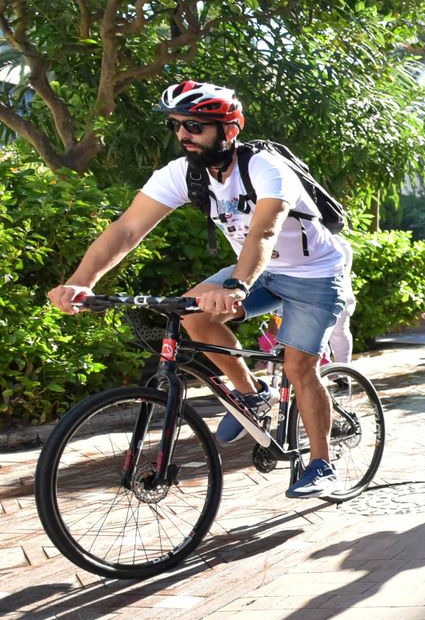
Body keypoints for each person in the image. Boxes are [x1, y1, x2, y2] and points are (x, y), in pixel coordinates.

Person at [47, 80, 353, 499]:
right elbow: (127, 228)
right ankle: (252, 395)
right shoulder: (182, 174)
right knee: (192, 313)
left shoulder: (266, 168)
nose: (182, 135)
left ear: (229, 128)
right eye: (176, 125)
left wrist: (237, 285)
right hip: (258, 270)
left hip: (314, 272)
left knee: (300, 367)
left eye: (194, 126)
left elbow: (263, 231)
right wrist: (81, 281)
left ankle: (321, 463)